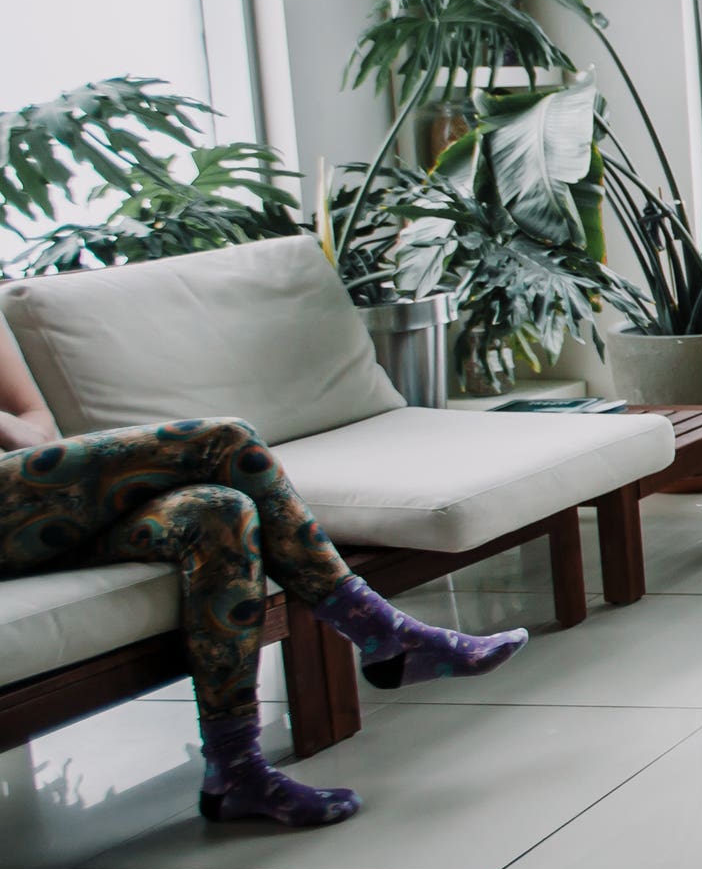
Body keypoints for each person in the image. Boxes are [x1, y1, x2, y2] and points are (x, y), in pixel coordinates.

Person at [0, 332, 530, 829]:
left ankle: (234, 768)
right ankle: (381, 632)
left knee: (220, 513)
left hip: (33, 510)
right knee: (224, 440)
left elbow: (36, 427)